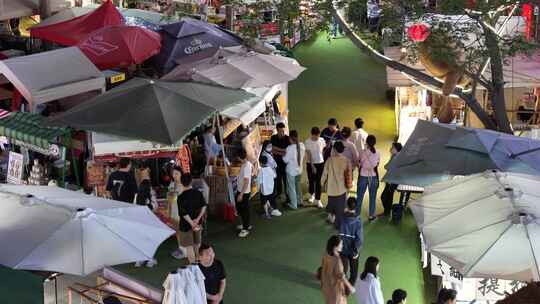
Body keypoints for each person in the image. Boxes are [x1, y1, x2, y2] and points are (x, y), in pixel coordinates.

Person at [177, 173, 207, 263]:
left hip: (185, 225)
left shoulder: (180, 197)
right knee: (197, 244)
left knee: (189, 247)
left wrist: (191, 223)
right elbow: (204, 206)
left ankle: (193, 266)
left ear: (181, 183)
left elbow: (183, 213)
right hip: (197, 223)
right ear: (191, 182)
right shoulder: (198, 193)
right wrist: (197, 219)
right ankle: (198, 261)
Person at [321, 141, 352, 229]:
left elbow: (324, 173)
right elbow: (349, 174)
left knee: (331, 204)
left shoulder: (329, 160)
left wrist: (321, 183)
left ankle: (331, 217)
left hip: (331, 188)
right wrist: (349, 186)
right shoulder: (346, 160)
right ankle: (338, 225)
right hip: (342, 188)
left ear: (334, 149)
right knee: (340, 208)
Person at [320, 235, 355, 304]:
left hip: (326, 286)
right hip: (335, 290)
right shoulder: (337, 260)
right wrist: (350, 287)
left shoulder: (326, 255)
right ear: (335, 246)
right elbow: (341, 276)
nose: (342, 245)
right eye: (341, 244)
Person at [134, 179, 158, 267]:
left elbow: (134, 207)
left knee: (140, 241)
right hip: (149, 221)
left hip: (139, 222)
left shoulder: (137, 195)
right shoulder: (150, 195)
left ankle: (139, 260)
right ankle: (150, 260)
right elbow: (155, 207)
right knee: (150, 241)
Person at [339, 197, 363, 285]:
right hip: (353, 251)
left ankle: (340, 286)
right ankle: (349, 288)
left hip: (342, 249)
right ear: (356, 207)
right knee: (354, 273)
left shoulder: (341, 217)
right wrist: (356, 251)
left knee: (342, 270)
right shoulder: (358, 221)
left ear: (347, 205)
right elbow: (359, 239)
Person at [357, 135, 380, 222]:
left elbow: (359, 162)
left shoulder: (362, 152)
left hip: (363, 176)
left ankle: (357, 214)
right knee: (372, 197)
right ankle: (371, 215)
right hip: (373, 177)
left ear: (366, 142)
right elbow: (377, 164)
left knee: (359, 196)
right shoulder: (378, 152)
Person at [283, 130, 305, 209]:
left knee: (291, 188)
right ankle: (300, 201)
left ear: (290, 138)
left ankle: (293, 204)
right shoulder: (302, 145)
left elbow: (285, 160)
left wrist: (284, 154)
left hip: (291, 171)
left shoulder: (289, 148)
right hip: (299, 170)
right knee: (298, 186)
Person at [304, 127, 325, 208]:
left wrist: (322, 159)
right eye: (316, 136)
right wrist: (312, 166)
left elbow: (322, 150)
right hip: (310, 164)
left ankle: (318, 199)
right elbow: (309, 155)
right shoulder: (307, 142)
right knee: (311, 180)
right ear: (312, 134)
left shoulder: (321, 140)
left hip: (320, 163)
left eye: (318, 136)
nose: (317, 137)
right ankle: (312, 195)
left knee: (319, 182)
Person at [380, 142, 402, 217]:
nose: (390, 149)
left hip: (392, 182)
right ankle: (387, 211)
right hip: (392, 180)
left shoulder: (395, 158)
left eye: (392, 148)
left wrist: (386, 166)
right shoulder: (395, 156)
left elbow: (387, 167)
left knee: (384, 197)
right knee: (389, 196)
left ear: (396, 149)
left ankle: (387, 211)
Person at [270, 123, 290, 206]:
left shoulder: (287, 138)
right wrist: (282, 150)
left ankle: (288, 195)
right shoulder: (273, 137)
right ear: (277, 130)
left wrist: (278, 151)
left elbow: (287, 151)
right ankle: (278, 193)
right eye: (280, 131)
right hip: (276, 163)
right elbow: (272, 149)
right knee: (277, 179)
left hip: (285, 164)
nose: (282, 132)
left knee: (286, 180)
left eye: (283, 131)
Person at [236, 149, 253, 238]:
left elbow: (246, 182)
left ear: (239, 157)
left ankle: (245, 229)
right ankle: (245, 224)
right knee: (241, 208)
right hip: (242, 190)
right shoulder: (246, 164)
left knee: (244, 210)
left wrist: (241, 194)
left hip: (244, 192)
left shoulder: (246, 166)